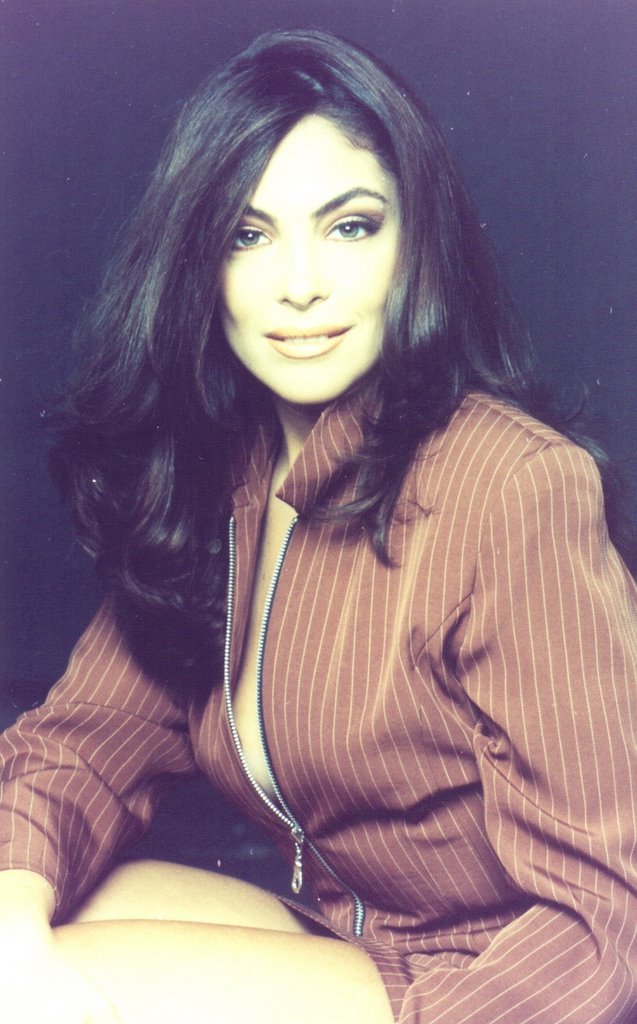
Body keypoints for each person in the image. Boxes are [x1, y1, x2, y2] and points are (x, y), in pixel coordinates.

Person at [0, 27, 635, 1024]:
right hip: (347, 929)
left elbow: (606, 917)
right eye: (247, 236)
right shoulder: (220, 470)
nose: (299, 283)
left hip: (485, 979)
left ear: (416, 244)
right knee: (24, 928)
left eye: (350, 226)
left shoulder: (515, 486)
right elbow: (89, 738)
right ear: (199, 265)